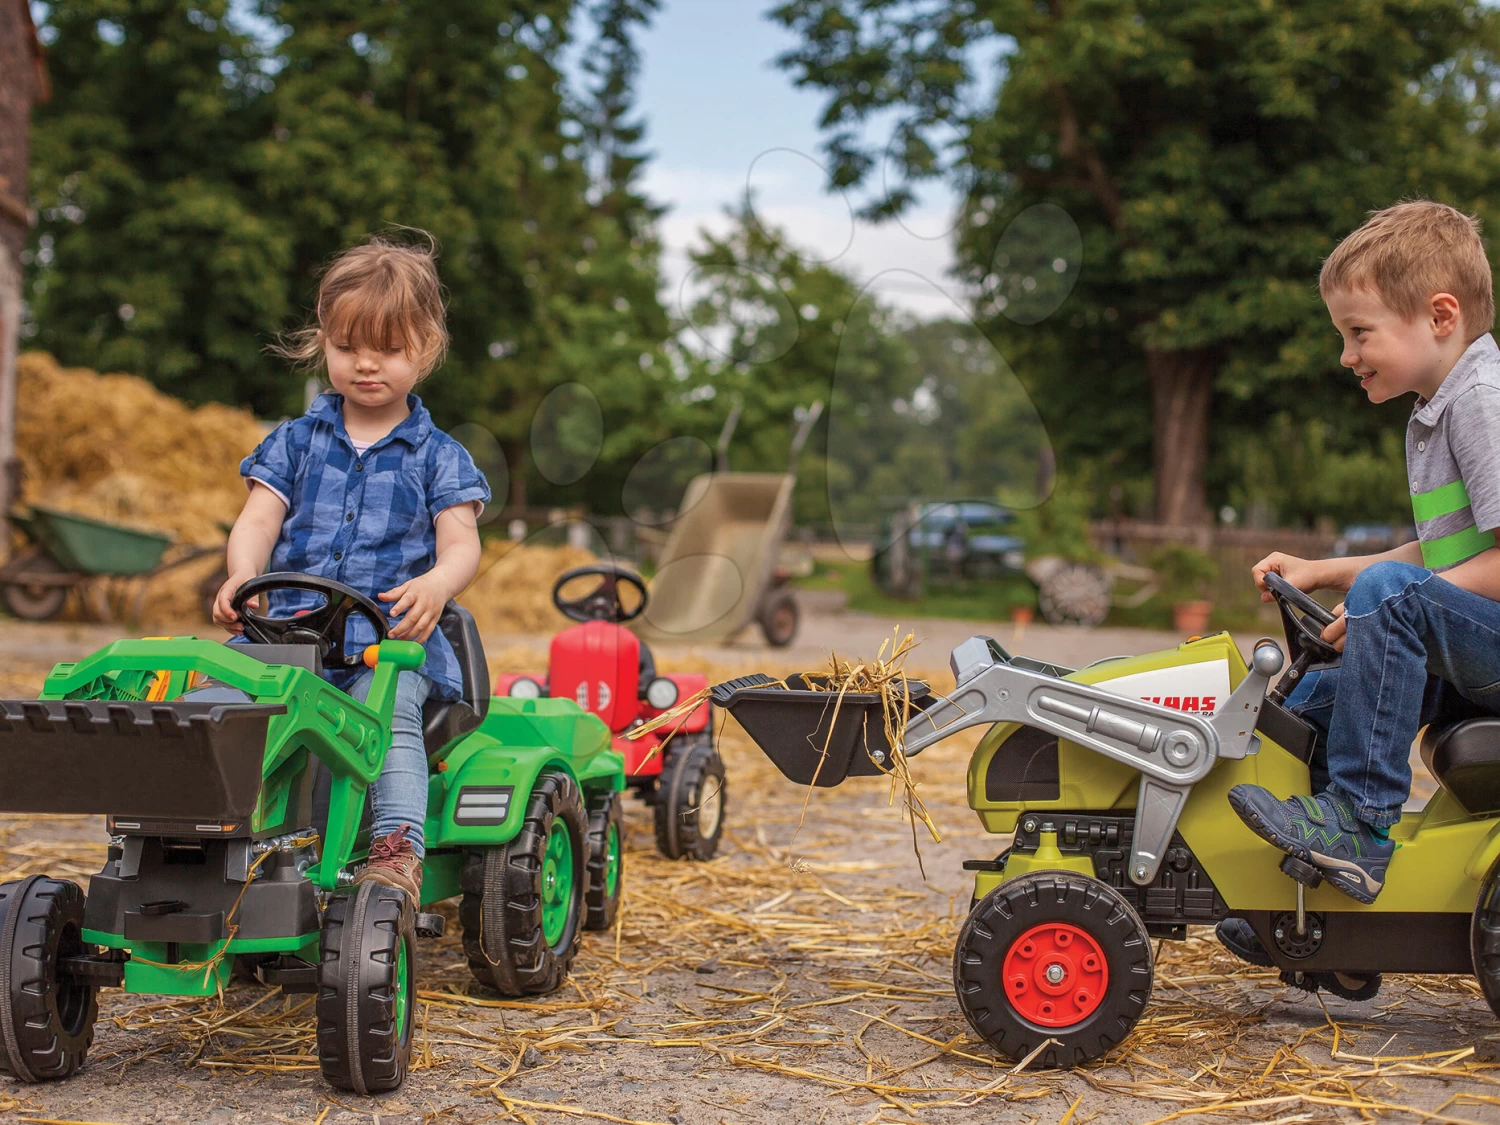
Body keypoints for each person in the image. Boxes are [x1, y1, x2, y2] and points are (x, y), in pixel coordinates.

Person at [1219, 201, 1500, 966]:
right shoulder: (1436, 409)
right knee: (1314, 699)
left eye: (1359, 331)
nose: (1346, 354)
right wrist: (1328, 571)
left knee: (1386, 597)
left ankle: (1358, 824)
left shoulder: (1481, 399)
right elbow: (1450, 551)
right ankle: (1307, 902)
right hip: (1481, 643)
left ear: (1439, 316)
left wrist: (1387, 603)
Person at [211, 233, 490, 904]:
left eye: (388, 350)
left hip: (386, 648)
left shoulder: (439, 457)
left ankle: (395, 849)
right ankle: (207, 831)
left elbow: (462, 544)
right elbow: (257, 519)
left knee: (381, 714)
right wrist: (240, 574)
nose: (366, 365)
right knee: (218, 704)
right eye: (347, 347)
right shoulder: (294, 442)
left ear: (426, 348)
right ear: (323, 343)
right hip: (285, 640)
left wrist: (437, 581)